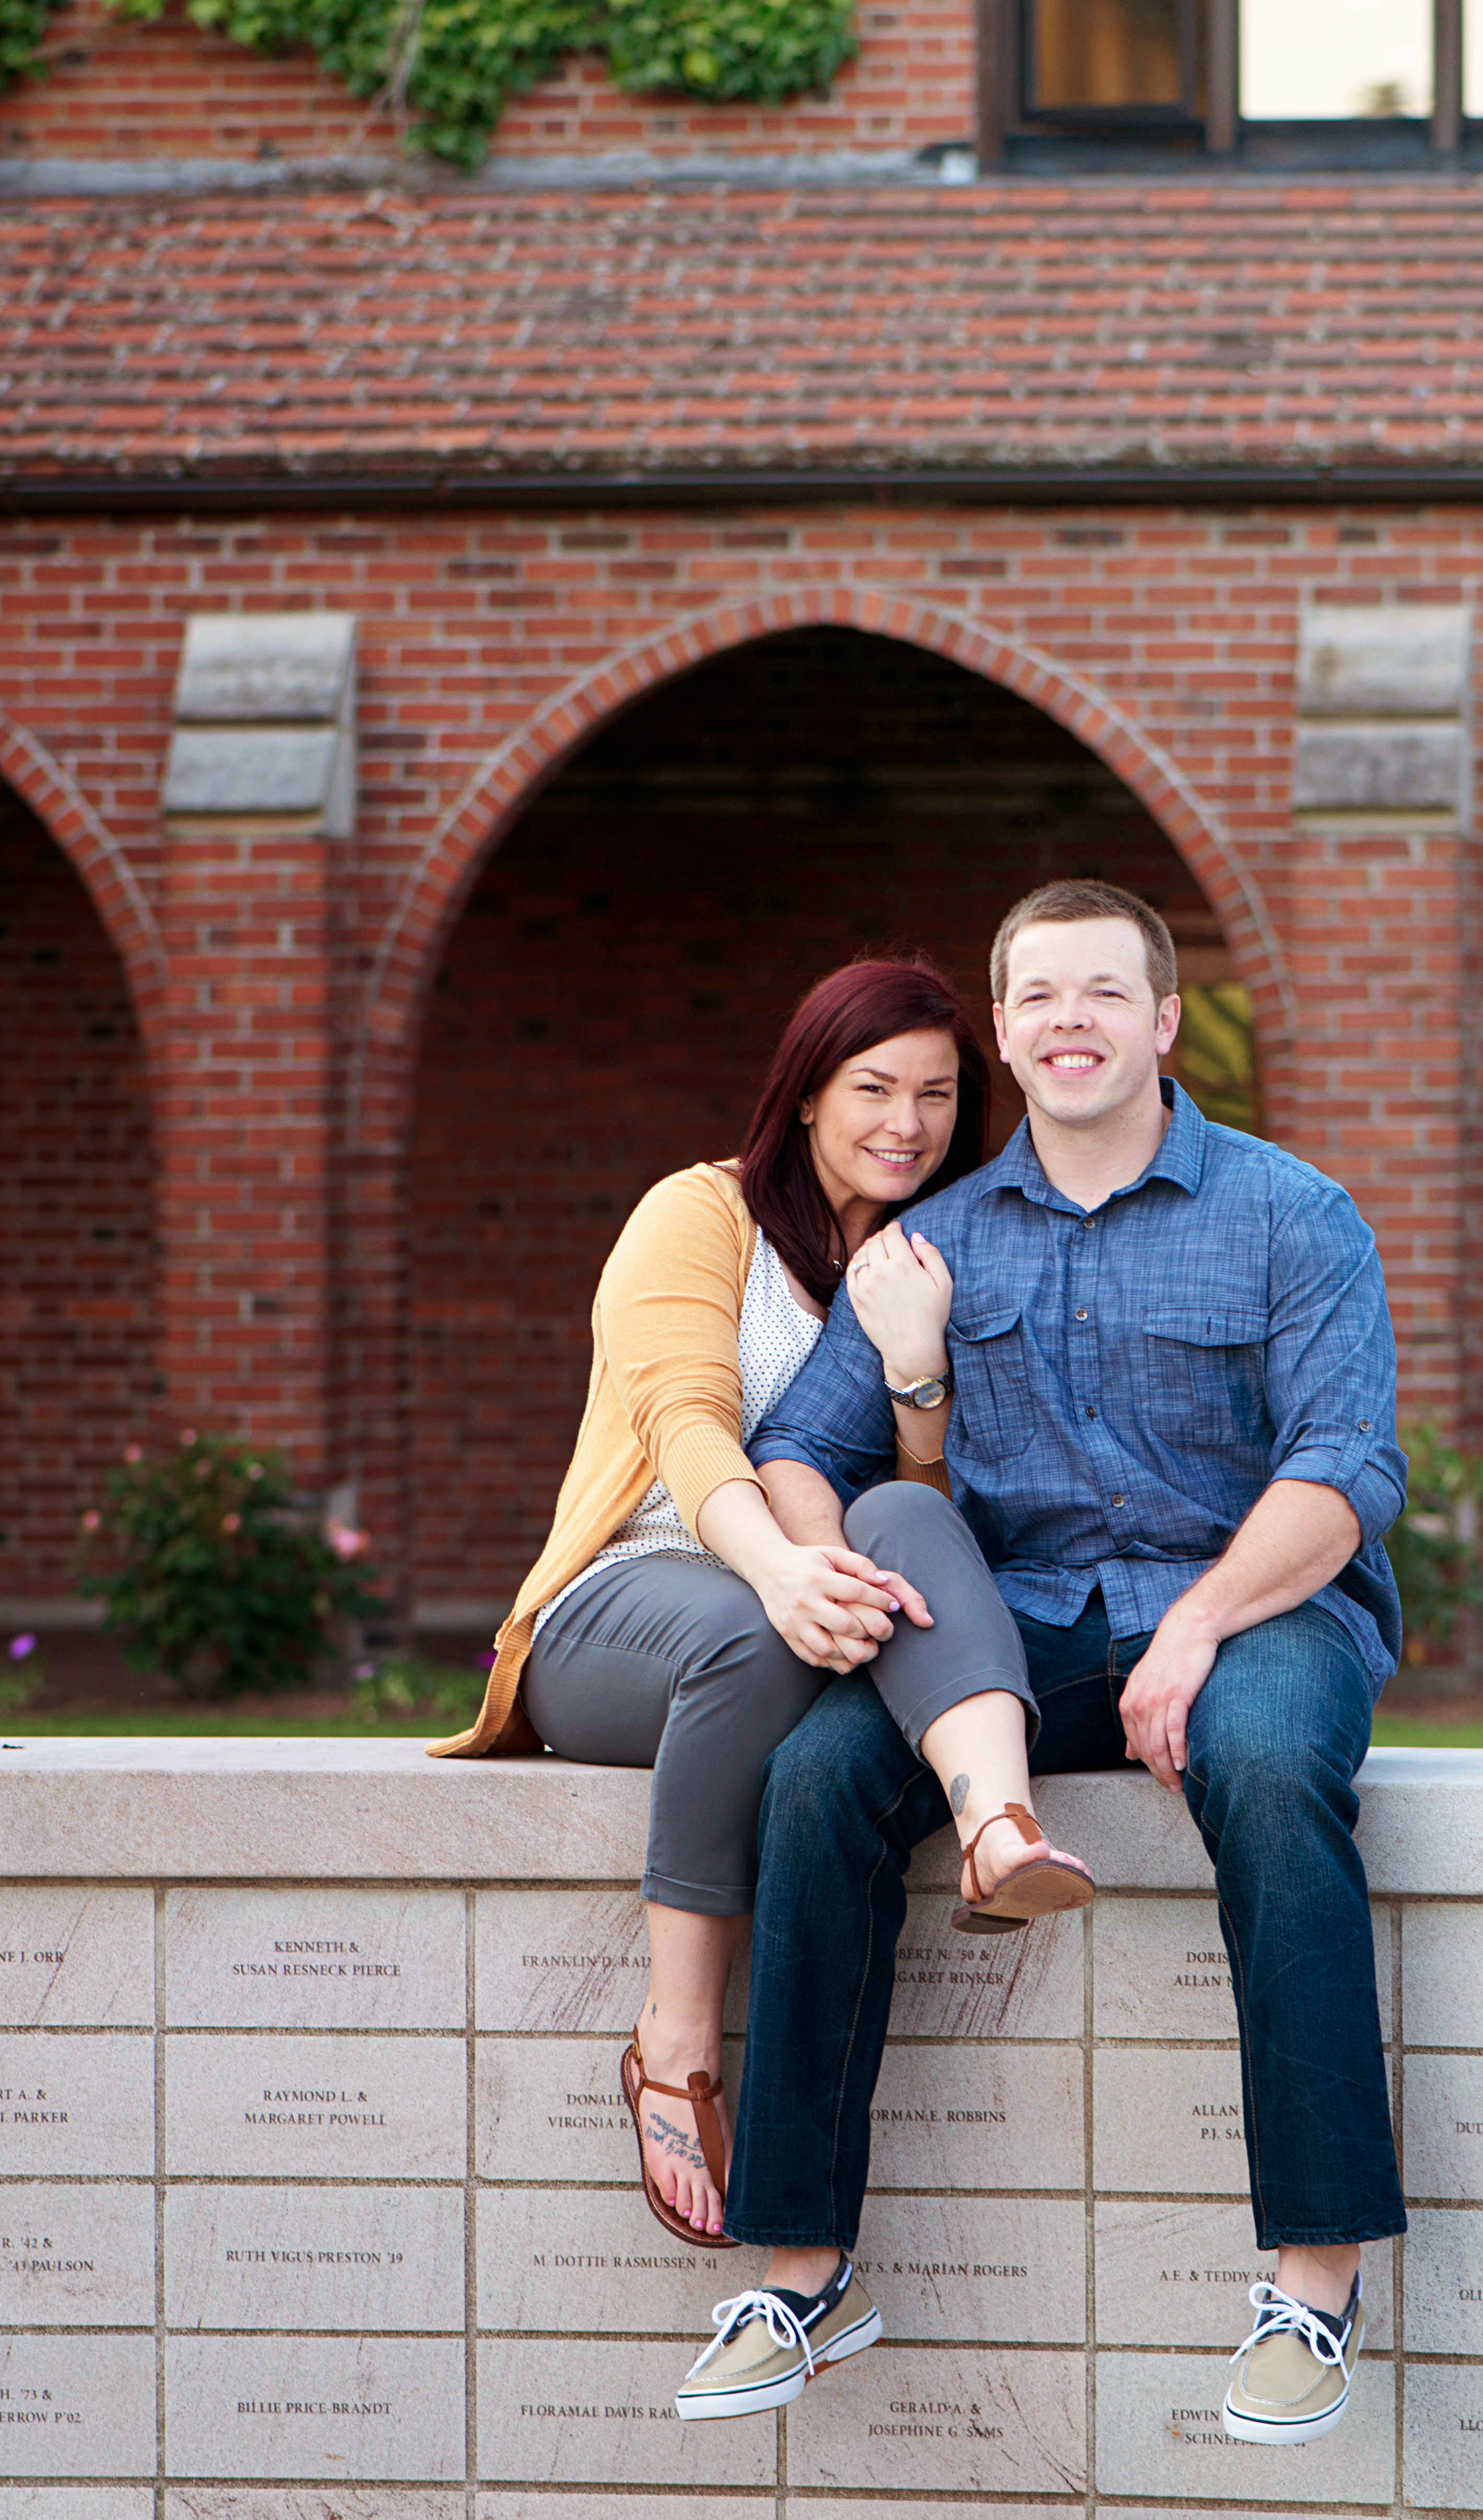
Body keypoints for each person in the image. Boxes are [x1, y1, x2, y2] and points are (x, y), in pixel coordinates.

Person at [673, 879, 1408, 2448]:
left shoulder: (1292, 1213)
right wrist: (831, 1565)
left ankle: (1314, 2278)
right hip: (1022, 1628)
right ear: (1004, 1032)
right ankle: (799, 2271)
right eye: (1039, 996)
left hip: (1257, 1610)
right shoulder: (928, 1245)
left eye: (1103, 991)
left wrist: (1200, 1623)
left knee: (1270, 1764)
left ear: (1164, 1021)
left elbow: (1344, 1470)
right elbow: (800, 1445)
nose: (1070, 1020)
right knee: (819, 1773)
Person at [430, 955, 1090, 2247]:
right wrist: (780, 1569)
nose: (908, 1122)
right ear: (804, 1094)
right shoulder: (698, 1214)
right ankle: (674, 2038)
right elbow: (684, 1424)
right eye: (874, 1087)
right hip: (623, 1604)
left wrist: (915, 1367)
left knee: (874, 1563)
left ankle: (994, 1824)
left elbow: (924, 1507)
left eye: (939, 1094)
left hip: (818, 1600)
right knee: (754, 1632)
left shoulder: (932, 1254)